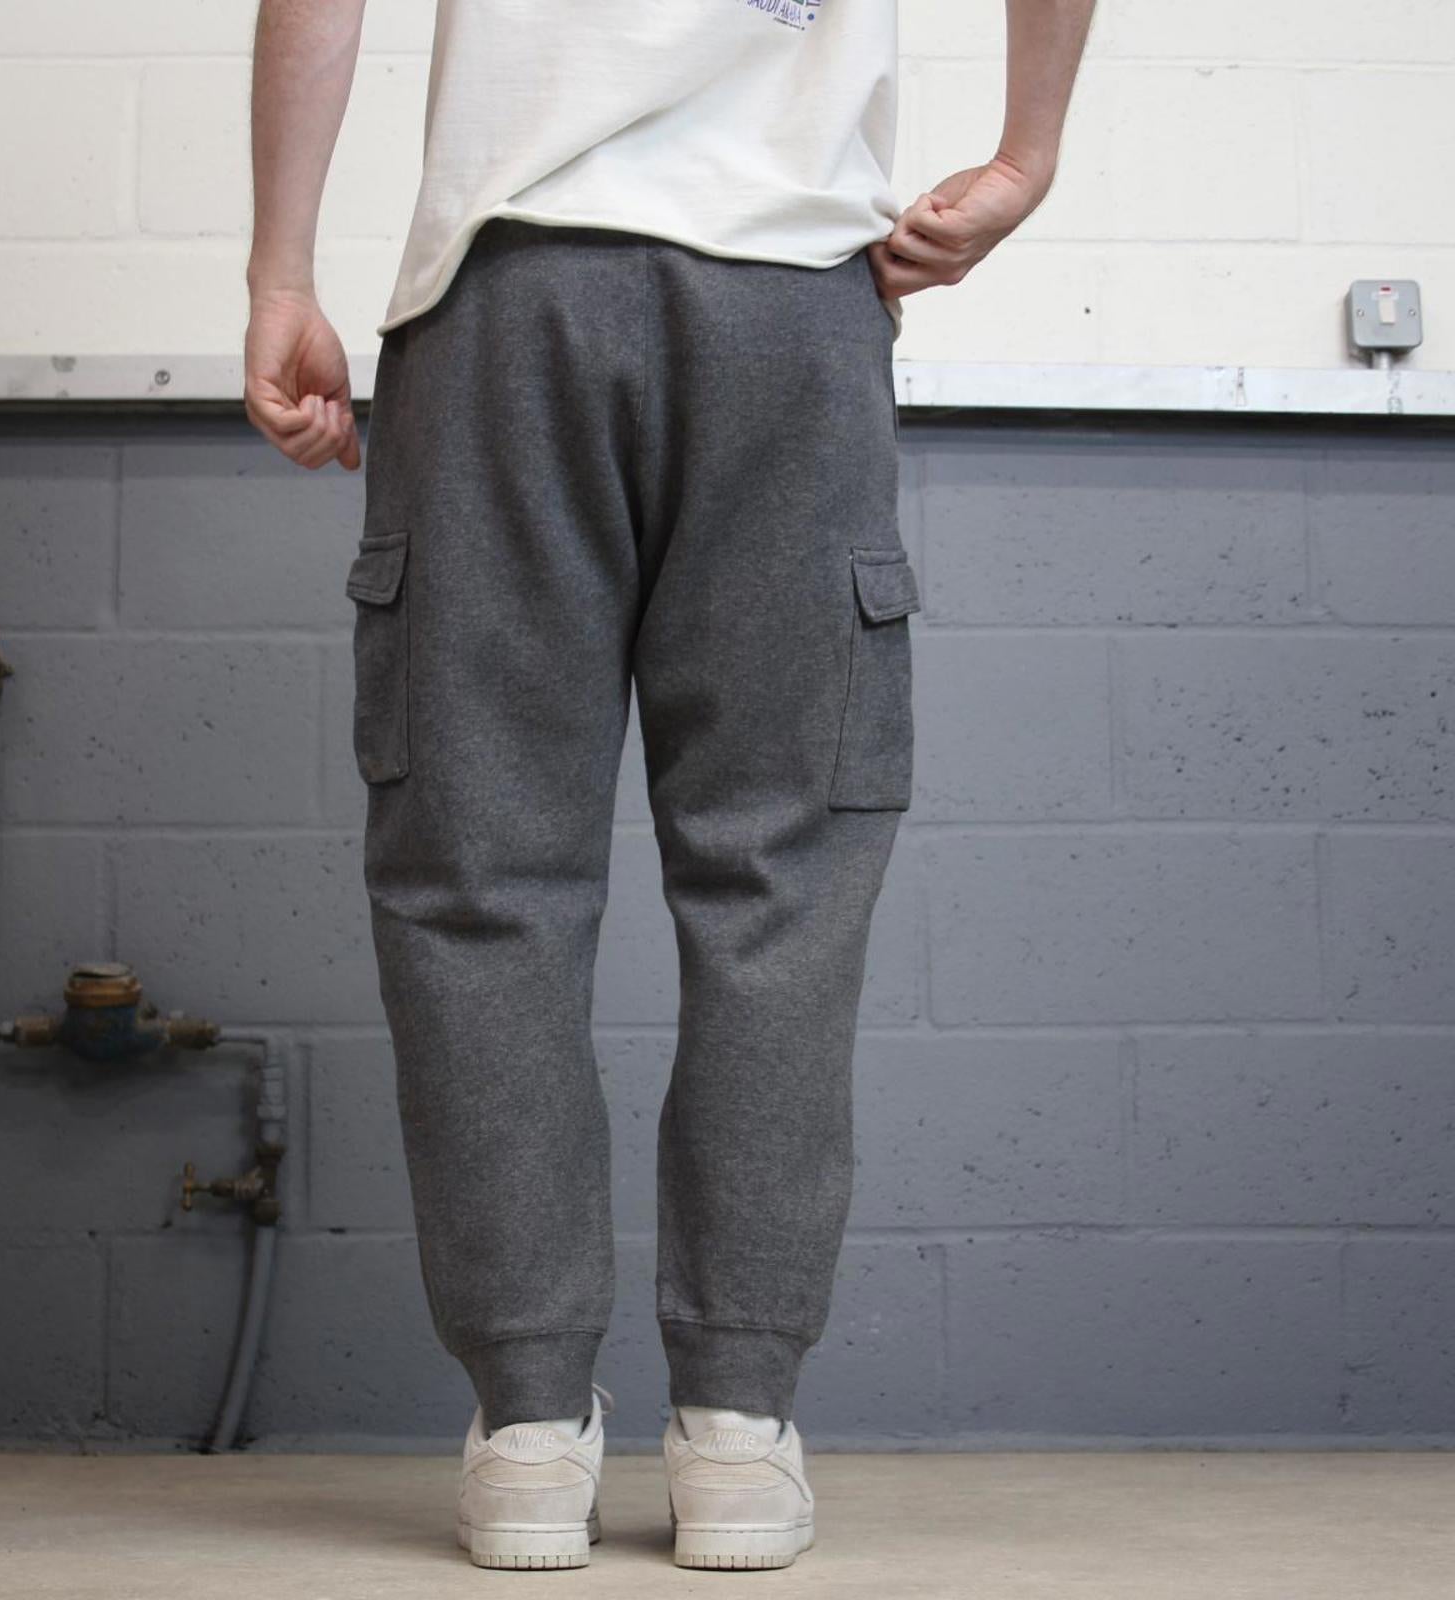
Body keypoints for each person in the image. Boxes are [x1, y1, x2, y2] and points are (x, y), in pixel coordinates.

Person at [243, 0, 1094, 1572]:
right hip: (789, 309)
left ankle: (527, 1434)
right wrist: (1025, 158)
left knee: (482, 885)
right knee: (781, 889)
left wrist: (280, 273)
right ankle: (738, 1433)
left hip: (507, 307)